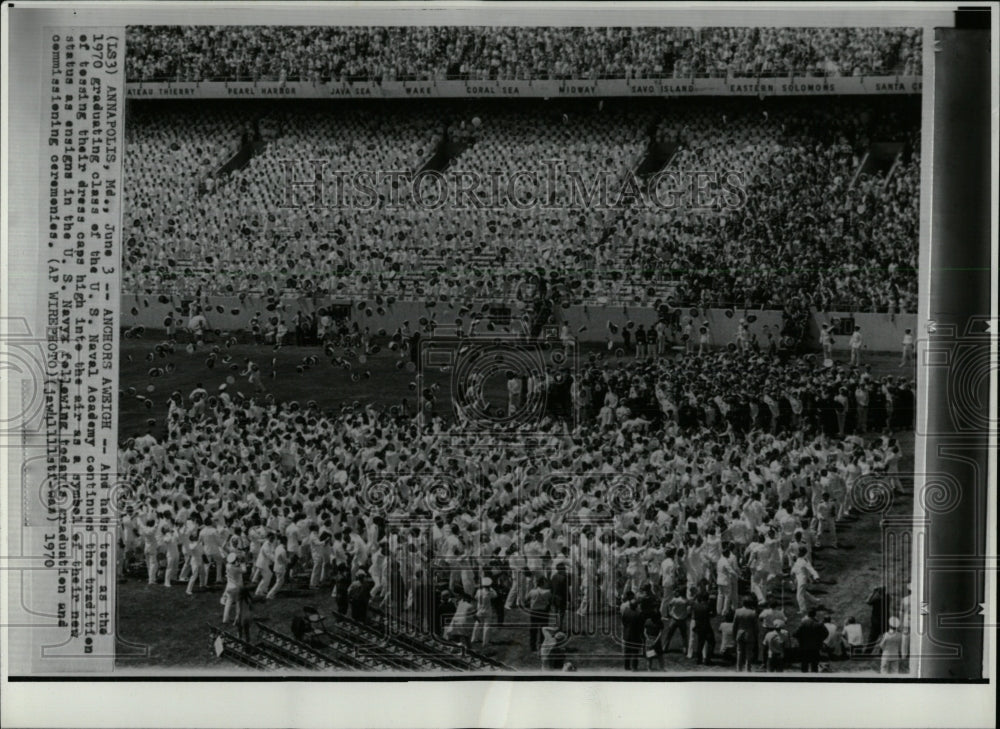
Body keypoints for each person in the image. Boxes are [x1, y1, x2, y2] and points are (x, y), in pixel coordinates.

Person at [526, 575, 553, 652]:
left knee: (533, 630)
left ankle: (532, 646)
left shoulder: (532, 591)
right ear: (543, 583)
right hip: (544, 612)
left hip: (534, 612)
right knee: (543, 630)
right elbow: (551, 600)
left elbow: (527, 599)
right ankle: (542, 645)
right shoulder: (548, 592)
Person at [733, 596, 759, 672]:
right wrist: (756, 634)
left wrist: (734, 634)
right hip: (750, 634)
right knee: (749, 652)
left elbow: (735, 625)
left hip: (740, 633)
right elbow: (755, 626)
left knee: (739, 651)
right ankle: (748, 668)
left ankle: (739, 668)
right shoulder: (753, 612)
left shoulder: (737, 611)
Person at [690, 590, 716, 665]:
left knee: (700, 643)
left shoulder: (696, 606)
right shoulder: (708, 606)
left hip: (698, 626)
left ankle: (699, 659)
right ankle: (708, 659)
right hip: (706, 626)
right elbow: (714, 614)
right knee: (712, 642)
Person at [471, 577, 497, 649]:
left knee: (477, 624)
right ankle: (485, 642)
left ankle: (474, 639)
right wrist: (491, 589)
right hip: (487, 611)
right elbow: (495, 595)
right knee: (487, 627)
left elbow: (476, 598)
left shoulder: (478, 591)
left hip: (479, 610)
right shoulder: (490, 592)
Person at [621, 593, 645, 671]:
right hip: (636, 635)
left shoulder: (626, 611)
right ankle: (634, 667)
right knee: (635, 652)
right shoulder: (639, 614)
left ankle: (626, 667)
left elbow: (623, 622)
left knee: (627, 652)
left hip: (627, 634)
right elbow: (641, 626)